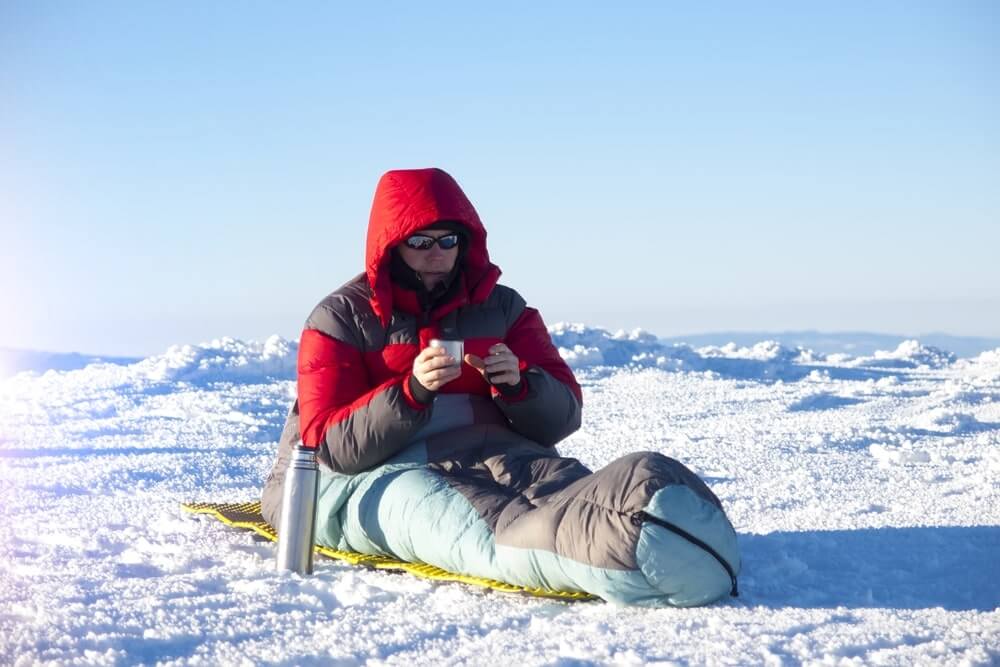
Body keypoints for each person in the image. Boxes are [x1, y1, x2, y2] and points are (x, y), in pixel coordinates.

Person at [261, 168, 739, 607]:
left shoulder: (504, 308)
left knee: (592, 490)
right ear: (390, 245)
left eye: (448, 240)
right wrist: (410, 392)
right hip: (374, 471)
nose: (436, 254)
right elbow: (325, 445)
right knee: (484, 533)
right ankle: (629, 552)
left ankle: (651, 522)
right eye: (419, 241)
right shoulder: (341, 318)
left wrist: (519, 386)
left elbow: (564, 413)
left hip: (497, 451)